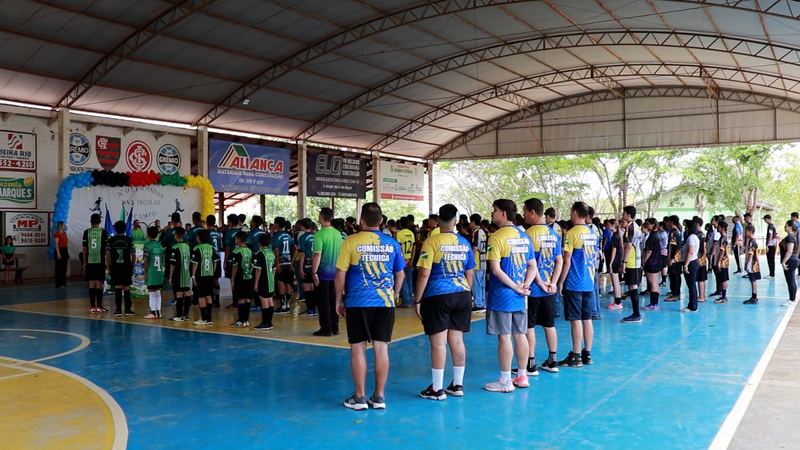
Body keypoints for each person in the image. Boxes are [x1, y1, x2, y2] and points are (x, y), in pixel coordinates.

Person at [335, 203, 405, 410]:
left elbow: (341, 273)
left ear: (361, 221)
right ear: (382, 220)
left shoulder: (351, 241)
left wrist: (338, 300)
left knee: (358, 348)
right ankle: (379, 397)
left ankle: (359, 398)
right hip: (385, 302)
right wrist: (395, 295)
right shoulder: (392, 243)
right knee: (381, 347)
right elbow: (400, 274)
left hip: (358, 302)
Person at [415, 204, 474, 400]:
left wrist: (417, 300)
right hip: (462, 293)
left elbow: (424, 273)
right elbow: (470, 271)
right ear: (456, 221)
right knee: (457, 341)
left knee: (439, 344)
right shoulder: (464, 243)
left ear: (438, 221)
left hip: (438, 295)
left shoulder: (431, 242)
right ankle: (457, 385)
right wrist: (468, 292)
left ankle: (437, 389)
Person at [484, 199, 540, 392]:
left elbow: (496, 270)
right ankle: (522, 375)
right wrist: (525, 285)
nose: (493, 213)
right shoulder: (524, 236)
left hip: (502, 296)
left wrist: (515, 287)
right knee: (520, 334)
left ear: (504, 214)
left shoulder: (496, 237)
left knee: (505, 337)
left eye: (495, 210)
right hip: (521, 297)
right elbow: (533, 266)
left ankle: (505, 381)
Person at [523, 198, 563, 374]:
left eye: (525, 211)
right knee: (549, 325)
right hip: (549, 289)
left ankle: (530, 364)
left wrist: (539, 282)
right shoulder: (554, 234)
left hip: (532, 289)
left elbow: (532, 264)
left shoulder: (529, 234)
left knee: (529, 326)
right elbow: (559, 261)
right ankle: (552, 360)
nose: (523, 214)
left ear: (533, 212)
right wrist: (553, 283)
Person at [557, 202, 598, 367]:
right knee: (587, 319)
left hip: (574, 282)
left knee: (575, 320)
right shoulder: (592, 232)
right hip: (589, 281)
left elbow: (567, 260)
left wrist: (560, 282)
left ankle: (575, 355)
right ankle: (587, 353)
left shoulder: (572, 233)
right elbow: (594, 256)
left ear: (574, 213)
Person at [312, 207, 343, 337]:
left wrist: (314, 272)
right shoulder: (337, 233)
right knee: (334, 301)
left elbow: (317, 255)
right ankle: (335, 327)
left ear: (322, 217)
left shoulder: (319, 234)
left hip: (323, 274)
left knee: (323, 303)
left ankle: (326, 328)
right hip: (336, 274)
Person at [620, 206, 644, 323]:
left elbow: (629, 246)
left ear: (628, 215)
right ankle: (635, 313)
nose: (622, 215)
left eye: (624, 213)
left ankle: (636, 314)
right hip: (636, 261)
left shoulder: (630, 227)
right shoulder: (637, 227)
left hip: (632, 262)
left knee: (632, 287)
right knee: (632, 287)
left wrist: (623, 262)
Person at [107, 221, 135, 316]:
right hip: (126, 266)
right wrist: (132, 266)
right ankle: (128, 309)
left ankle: (118, 309)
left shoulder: (110, 241)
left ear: (115, 229)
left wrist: (109, 267)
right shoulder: (129, 240)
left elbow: (107, 255)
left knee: (118, 287)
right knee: (127, 287)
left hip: (116, 266)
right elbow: (133, 254)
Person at [191, 229, 219, 325]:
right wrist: (212, 272)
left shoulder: (196, 249)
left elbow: (195, 264)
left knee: (201, 296)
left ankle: (203, 318)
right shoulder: (211, 248)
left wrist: (193, 276)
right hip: (209, 275)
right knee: (208, 295)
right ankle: (209, 317)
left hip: (201, 275)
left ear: (199, 238)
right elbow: (215, 262)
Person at [83, 214, 108, 313]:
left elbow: (84, 248)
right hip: (100, 260)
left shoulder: (86, 232)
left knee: (91, 283)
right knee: (99, 283)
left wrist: (85, 261)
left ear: (90, 221)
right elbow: (106, 248)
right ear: (99, 222)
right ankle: (99, 306)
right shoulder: (103, 232)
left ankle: (92, 306)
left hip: (90, 260)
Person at [229, 231, 254, 327]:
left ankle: (241, 320)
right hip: (248, 277)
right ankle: (246, 320)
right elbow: (252, 265)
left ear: (239, 240)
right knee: (247, 298)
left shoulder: (236, 252)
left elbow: (235, 267)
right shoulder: (249, 251)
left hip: (240, 278)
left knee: (240, 298)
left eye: (236, 239)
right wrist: (249, 273)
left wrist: (232, 279)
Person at [253, 234, 276, 330]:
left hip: (263, 280)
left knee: (264, 301)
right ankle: (269, 322)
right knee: (270, 300)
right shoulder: (271, 253)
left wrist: (256, 283)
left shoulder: (259, 254)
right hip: (270, 279)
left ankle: (265, 322)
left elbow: (258, 270)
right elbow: (274, 268)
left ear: (259, 243)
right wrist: (272, 278)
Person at [272, 219, 296, 314]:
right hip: (288, 262)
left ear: (277, 224)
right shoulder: (288, 235)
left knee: (280, 282)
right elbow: (295, 247)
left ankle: (283, 306)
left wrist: (277, 263)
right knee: (288, 283)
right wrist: (292, 260)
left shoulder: (276, 236)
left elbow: (276, 250)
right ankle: (288, 304)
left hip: (281, 262)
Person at [168, 227, 192, 321]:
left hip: (178, 273)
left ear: (176, 236)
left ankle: (179, 315)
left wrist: (170, 276)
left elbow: (173, 264)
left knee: (178, 294)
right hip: (186, 273)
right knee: (187, 293)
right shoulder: (187, 247)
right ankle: (186, 314)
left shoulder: (175, 247)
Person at [142, 226, 165, 319]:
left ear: (147, 234)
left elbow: (146, 260)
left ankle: (153, 312)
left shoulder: (147, 245)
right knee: (158, 291)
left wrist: (145, 271)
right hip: (159, 271)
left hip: (151, 271)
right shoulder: (160, 246)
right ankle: (159, 312)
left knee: (151, 291)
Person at [297, 218, 317, 316]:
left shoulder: (303, 238)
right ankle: (314, 309)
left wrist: (300, 268)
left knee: (306, 287)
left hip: (306, 264)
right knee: (313, 287)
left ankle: (310, 309)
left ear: (302, 226)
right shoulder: (316, 236)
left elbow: (302, 254)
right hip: (315, 265)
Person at [396, 216, 416, 308]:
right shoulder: (411, 233)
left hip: (402, 259)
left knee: (403, 280)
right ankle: (410, 300)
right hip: (410, 259)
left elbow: (399, 247)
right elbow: (414, 247)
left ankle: (406, 302)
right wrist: (411, 260)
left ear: (400, 224)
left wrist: (402, 260)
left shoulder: (399, 234)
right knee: (409, 280)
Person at [680, 220, 700, 312]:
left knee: (691, 285)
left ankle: (693, 306)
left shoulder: (691, 238)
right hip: (693, 262)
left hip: (691, 262)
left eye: (686, 227)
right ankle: (692, 304)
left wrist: (686, 265)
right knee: (691, 285)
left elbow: (690, 252)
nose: (685, 228)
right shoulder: (694, 237)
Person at [469, 214, 488, 313]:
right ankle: (482, 303)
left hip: (477, 262)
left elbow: (475, 247)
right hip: (484, 260)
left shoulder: (475, 233)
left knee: (476, 284)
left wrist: (471, 261)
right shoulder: (483, 232)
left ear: (473, 222)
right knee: (482, 284)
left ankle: (478, 304)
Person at [780, 220, 799, 306]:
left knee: (790, 280)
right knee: (791, 280)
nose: (785, 227)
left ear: (790, 227)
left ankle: (792, 300)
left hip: (790, 260)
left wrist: (784, 261)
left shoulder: (790, 238)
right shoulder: (792, 237)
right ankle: (792, 299)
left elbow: (789, 251)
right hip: (793, 260)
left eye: (786, 226)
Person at [606, 219, 624, 308]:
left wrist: (610, 262)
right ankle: (618, 301)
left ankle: (617, 302)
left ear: (613, 225)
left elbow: (614, 250)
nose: (607, 226)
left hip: (615, 261)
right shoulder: (618, 235)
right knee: (616, 282)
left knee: (615, 282)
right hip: (618, 260)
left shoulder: (615, 236)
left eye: (609, 225)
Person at [206, 215, 223, 307]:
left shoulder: (206, 233)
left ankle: (212, 299)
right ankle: (217, 300)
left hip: (209, 258)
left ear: (207, 222)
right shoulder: (217, 233)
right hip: (218, 257)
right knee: (215, 280)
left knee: (210, 280)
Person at [665, 216, 683, 302]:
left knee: (674, 276)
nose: (667, 223)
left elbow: (674, 247)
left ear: (672, 222)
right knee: (674, 276)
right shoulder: (676, 232)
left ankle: (675, 294)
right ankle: (674, 292)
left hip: (675, 258)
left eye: (668, 221)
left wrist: (672, 258)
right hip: (677, 257)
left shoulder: (673, 233)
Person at [742, 225, 761, 304]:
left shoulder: (751, 241)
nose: (745, 233)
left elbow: (751, 253)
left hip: (752, 264)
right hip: (754, 263)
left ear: (750, 232)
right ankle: (754, 296)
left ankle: (754, 297)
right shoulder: (752, 240)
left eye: (746, 231)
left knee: (753, 280)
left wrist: (747, 263)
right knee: (753, 280)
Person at [713, 222, 731, 304]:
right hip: (723, 261)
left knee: (723, 279)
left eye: (719, 226)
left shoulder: (723, 238)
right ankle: (723, 295)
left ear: (722, 228)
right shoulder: (722, 237)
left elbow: (722, 250)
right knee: (722, 278)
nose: (717, 227)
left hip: (723, 261)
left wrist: (718, 262)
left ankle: (724, 297)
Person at [54, 222, 69, 288]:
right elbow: (56, 245)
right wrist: (58, 253)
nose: (64, 226)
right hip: (60, 250)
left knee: (64, 267)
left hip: (65, 250)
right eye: (63, 225)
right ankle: (59, 283)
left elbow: (66, 244)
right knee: (59, 268)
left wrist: (67, 253)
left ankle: (63, 282)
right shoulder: (57, 234)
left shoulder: (64, 233)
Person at [764, 215, 777, 279]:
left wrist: (767, 244)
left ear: (768, 219)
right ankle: (772, 273)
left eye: (765, 219)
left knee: (770, 259)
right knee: (771, 259)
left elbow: (770, 235)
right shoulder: (773, 225)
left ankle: (771, 274)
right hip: (773, 244)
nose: (765, 220)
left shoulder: (770, 226)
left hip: (771, 245)